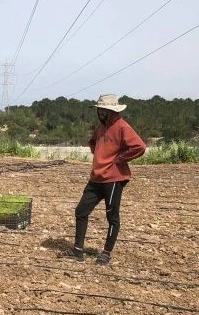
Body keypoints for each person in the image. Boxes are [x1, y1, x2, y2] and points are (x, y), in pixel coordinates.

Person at [60, 93, 146, 265]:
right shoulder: (100, 128)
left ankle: (106, 253)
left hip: (113, 179)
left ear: (111, 111)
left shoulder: (122, 127)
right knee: (81, 211)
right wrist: (99, 154)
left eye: (103, 110)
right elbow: (92, 142)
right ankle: (77, 251)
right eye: (99, 109)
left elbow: (139, 147)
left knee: (112, 217)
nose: (100, 112)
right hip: (96, 177)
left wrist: (119, 159)